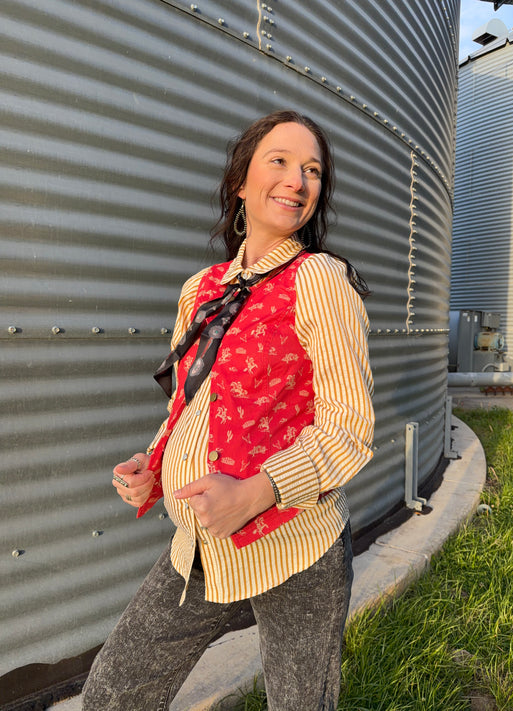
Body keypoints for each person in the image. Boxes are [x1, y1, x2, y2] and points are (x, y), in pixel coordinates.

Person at [82, 109, 375, 711]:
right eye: (281, 162)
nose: (298, 180)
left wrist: (255, 493)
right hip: (204, 541)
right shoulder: (202, 287)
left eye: (313, 170)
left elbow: (350, 429)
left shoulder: (319, 279)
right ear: (241, 181)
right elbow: (188, 404)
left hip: (298, 545)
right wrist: (155, 466)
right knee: (114, 691)